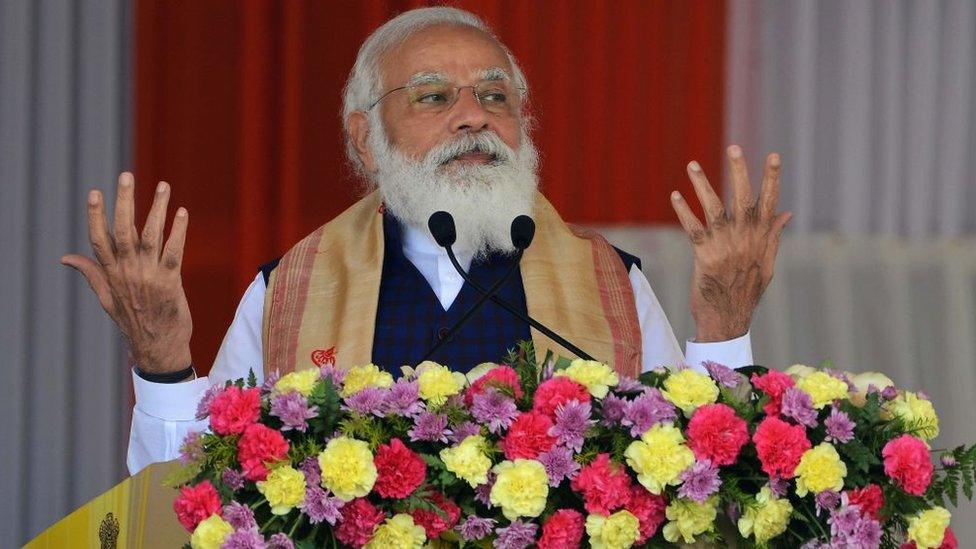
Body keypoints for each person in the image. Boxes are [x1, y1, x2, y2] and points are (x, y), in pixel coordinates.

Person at [61, 7, 791, 475]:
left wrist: (725, 331)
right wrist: (161, 364)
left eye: (495, 95)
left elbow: (704, 481)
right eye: (435, 96)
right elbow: (189, 499)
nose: (473, 116)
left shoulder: (607, 281)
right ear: (365, 138)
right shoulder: (290, 288)